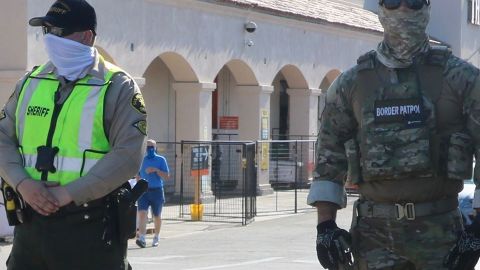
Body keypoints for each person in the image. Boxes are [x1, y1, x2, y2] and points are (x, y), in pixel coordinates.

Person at [308, 0, 480, 269]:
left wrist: (476, 232)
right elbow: (330, 153)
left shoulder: (462, 79)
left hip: (440, 236)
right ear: (381, 8)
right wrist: (325, 226)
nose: (403, 10)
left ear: (426, 7)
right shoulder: (352, 84)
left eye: (413, 2)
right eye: (393, 1)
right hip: (373, 237)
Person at [0, 0, 147, 269]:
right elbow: (2, 138)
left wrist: (68, 193)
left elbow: (128, 157)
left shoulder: (117, 86)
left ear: (87, 36)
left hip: (90, 225)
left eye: (58, 32)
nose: (50, 40)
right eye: (46, 31)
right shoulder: (31, 81)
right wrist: (23, 184)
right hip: (31, 226)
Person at [135, 139, 170, 248]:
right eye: (147, 147)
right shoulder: (141, 160)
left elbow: (166, 176)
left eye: (151, 147)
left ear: (155, 148)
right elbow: (138, 175)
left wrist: (156, 170)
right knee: (142, 213)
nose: (149, 149)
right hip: (144, 191)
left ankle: (156, 236)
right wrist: (138, 182)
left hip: (157, 190)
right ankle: (142, 238)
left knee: (157, 215)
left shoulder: (161, 160)